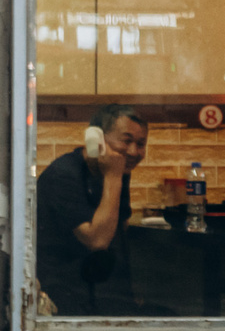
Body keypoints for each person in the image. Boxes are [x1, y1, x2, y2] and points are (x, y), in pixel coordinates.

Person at [36, 105, 148, 315]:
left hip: (102, 290)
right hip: (65, 295)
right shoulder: (64, 174)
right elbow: (97, 240)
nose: (134, 151)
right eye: (126, 140)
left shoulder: (116, 168)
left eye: (141, 144)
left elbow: (119, 228)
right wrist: (114, 177)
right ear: (96, 138)